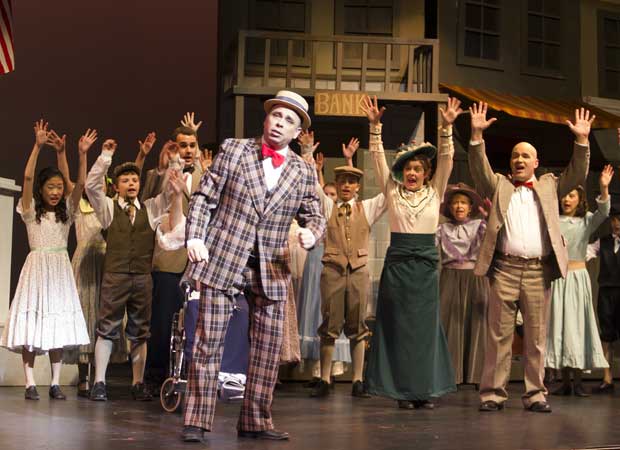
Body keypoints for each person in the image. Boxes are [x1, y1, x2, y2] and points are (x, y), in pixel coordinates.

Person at [181, 90, 325, 443]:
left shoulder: (303, 171)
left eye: (289, 121)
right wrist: (195, 236)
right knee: (208, 341)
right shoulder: (234, 150)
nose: (280, 123)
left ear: (297, 132)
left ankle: (255, 420)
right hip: (224, 256)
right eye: (276, 115)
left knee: (267, 349)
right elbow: (203, 197)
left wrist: (312, 233)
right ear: (266, 118)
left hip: (271, 266)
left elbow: (316, 214)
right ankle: (197, 421)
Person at [469, 103, 592, 413]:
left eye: (525, 156)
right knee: (499, 337)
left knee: (536, 338)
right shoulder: (500, 185)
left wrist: (581, 141)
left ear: (536, 162)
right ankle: (492, 394)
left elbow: (577, 173)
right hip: (505, 269)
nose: (519, 159)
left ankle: (536, 394)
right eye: (515, 155)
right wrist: (477, 136)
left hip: (538, 271)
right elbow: (479, 170)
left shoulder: (550, 185)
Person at [362, 95, 459, 409]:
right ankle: (402, 391)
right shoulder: (392, 191)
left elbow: (447, 160)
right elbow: (378, 160)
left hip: (425, 267)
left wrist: (446, 129)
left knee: (423, 330)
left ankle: (423, 390)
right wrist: (375, 128)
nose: (412, 173)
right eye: (407, 168)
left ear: (427, 173)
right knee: (400, 329)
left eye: (418, 168)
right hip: (399, 266)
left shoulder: (435, 192)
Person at [0, 121, 91, 400]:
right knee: (33, 323)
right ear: (42, 189)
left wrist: (78, 154)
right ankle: (30, 383)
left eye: (59, 187)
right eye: (50, 186)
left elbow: (81, 184)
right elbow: (27, 178)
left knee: (56, 325)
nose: (55, 191)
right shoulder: (30, 210)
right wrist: (37, 147)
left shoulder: (67, 211)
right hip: (37, 269)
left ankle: (54, 382)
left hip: (60, 270)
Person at [299, 133, 386, 398]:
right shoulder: (328, 207)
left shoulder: (366, 208)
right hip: (333, 271)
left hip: (358, 271)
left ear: (358, 186)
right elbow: (312, 185)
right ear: (336, 184)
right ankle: (325, 379)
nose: (346, 185)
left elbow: (388, 192)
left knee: (358, 326)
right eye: (342, 181)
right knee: (329, 325)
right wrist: (306, 152)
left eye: (351, 181)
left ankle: (358, 379)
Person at [85, 138, 172, 402]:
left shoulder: (151, 208)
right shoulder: (109, 209)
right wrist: (105, 157)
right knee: (107, 327)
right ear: (116, 186)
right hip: (116, 276)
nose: (132, 183)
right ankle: (99, 382)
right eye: (125, 180)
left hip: (142, 278)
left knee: (140, 331)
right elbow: (91, 187)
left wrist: (174, 162)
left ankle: (137, 382)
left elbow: (170, 193)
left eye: (135, 179)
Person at [50, 130, 130, 397]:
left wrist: (141, 156)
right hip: (85, 263)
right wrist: (72, 154)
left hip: (106, 263)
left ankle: (99, 377)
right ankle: (83, 376)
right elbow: (72, 182)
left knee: (101, 318)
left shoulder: (110, 209)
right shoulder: (78, 206)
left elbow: (131, 184)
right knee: (83, 317)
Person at [140, 116, 204, 391]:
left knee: (196, 320)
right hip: (169, 257)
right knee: (163, 320)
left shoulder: (206, 175)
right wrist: (161, 168)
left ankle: (192, 376)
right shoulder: (160, 174)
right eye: (182, 145)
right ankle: (156, 376)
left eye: (192, 145)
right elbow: (147, 202)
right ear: (174, 147)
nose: (187, 150)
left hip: (198, 258)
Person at [546, 166, 613, 397]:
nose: (566, 199)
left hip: (577, 279)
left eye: (571, 195)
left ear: (579, 199)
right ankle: (565, 381)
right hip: (558, 279)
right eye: (564, 195)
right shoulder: (553, 221)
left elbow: (604, 212)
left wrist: (603, 188)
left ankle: (577, 381)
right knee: (560, 327)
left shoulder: (585, 221)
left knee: (577, 327)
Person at [437, 183, 490, 386]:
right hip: (450, 278)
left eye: (463, 203)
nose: (459, 206)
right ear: (450, 207)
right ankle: (452, 375)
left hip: (475, 277)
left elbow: (495, 239)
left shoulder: (480, 226)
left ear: (470, 207)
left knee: (477, 325)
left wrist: (490, 217)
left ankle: (477, 376)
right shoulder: (442, 229)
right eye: (455, 203)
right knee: (451, 324)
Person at [587, 197, 620, 394]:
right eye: (614, 219)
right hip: (607, 293)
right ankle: (607, 378)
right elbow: (587, 251)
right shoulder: (604, 241)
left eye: (619, 219)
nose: (617, 223)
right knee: (606, 335)